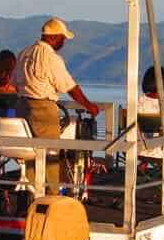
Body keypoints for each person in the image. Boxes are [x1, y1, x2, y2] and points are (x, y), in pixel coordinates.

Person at [12, 17, 100, 193]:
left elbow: (14, 82)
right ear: (54, 37)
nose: (64, 42)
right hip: (43, 108)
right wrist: (89, 105)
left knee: (30, 154)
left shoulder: (24, 53)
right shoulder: (51, 58)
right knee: (51, 155)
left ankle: (32, 192)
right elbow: (69, 86)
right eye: (62, 38)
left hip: (21, 105)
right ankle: (52, 194)